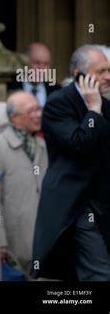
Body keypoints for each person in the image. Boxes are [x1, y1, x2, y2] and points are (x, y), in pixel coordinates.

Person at [32, 45, 110, 280]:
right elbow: (80, 144)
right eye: (101, 71)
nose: (108, 76)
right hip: (75, 205)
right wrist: (94, 110)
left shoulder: (107, 103)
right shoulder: (59, 103)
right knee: (100, 273)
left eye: (109, 70)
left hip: (102, 203)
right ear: (80, 75)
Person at [0, 91, 48, 278]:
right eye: (32, 111)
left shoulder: (43, 146)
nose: (38, 114)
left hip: (45, 238)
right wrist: (1, 240)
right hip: (14, 242)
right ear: (14, 117)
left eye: (39, 109)